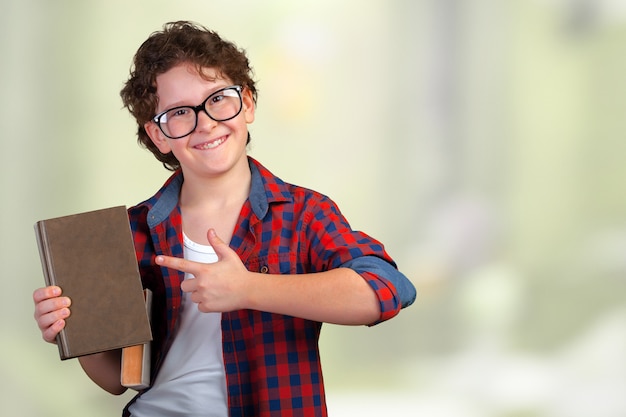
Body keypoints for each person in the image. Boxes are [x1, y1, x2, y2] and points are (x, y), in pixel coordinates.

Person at [32, 21, 416, 417]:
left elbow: (387, 289)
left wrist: (249, 288)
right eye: (180, 112)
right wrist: (77, 330)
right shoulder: (131, 231)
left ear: (246, 103)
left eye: (218, 99)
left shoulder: (304, 213)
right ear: (159, 135)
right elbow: (117, 379)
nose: (205, 122)